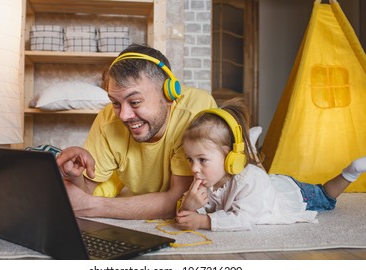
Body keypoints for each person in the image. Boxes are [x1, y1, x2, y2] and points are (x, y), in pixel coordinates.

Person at [56, 44, 217, 220]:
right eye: (116, 103)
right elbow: (86, 191)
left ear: (168, 96)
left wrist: (95, 207)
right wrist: (75, 177)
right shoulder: (107, 119)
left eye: (135, 102)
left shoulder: (196, 113)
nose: (124, 116)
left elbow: (180, 200)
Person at [176, 97, 366, 231]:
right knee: (259, 176)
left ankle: (351, 172)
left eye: (202, 160)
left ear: (229, 156)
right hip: (266, 184)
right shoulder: (207, 179)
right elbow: (188, 214)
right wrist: (189, 206)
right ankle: (251, 150)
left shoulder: (249, 180)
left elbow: (244, 219)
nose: (194, 168)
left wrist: (204, 221)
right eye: (190, 159)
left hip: (294, 193)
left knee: (325, 197)